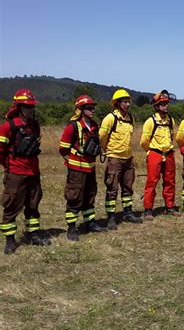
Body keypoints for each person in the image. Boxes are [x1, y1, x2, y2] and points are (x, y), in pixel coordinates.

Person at [0, 89, 50, 254]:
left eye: (32, 107)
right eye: (27, 107)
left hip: (33, 173)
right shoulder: (8, 126)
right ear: (19, 107)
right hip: (16, 173)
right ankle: (10, 240)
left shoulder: (34, 125)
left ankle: (33, 234)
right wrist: (9, 168)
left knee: (33, 204)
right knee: (11, 206)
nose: (30, 109)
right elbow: (1, 151)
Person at [59, 95, 107, 241]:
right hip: (76, 169)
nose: (92, 110)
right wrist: (72, 162)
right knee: (74, 197)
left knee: (90, 195)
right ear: (80, 109)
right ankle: (72, 227)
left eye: (93, 108)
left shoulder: (93, 125)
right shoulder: (72, 126)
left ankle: (90, 223)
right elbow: (63, 149)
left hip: (90, 167)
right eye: (89, 108)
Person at [99, 89, 142, 229]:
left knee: (128, 187)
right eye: (124, 102)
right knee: (112, 188)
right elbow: (101, 137)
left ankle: (128, 213)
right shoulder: (110, 118)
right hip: (115, 158)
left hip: (128, 158)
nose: (127, 104)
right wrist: (108, 151)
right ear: (117, 103)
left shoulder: (130, 118)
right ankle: (111, 217)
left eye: (128, 101)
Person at [140, 90, 180, 219]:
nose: (166, 106)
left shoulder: (171, 121)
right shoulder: (150, 122)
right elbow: (144, 142)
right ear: (156, 106)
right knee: (152, 182)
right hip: (155, 153)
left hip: (168, 153)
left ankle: (169, 206)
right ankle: (148, 210)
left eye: (166, 103)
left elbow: (172, 136)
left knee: (170, 181)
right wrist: (150, 152)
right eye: (163, 104)